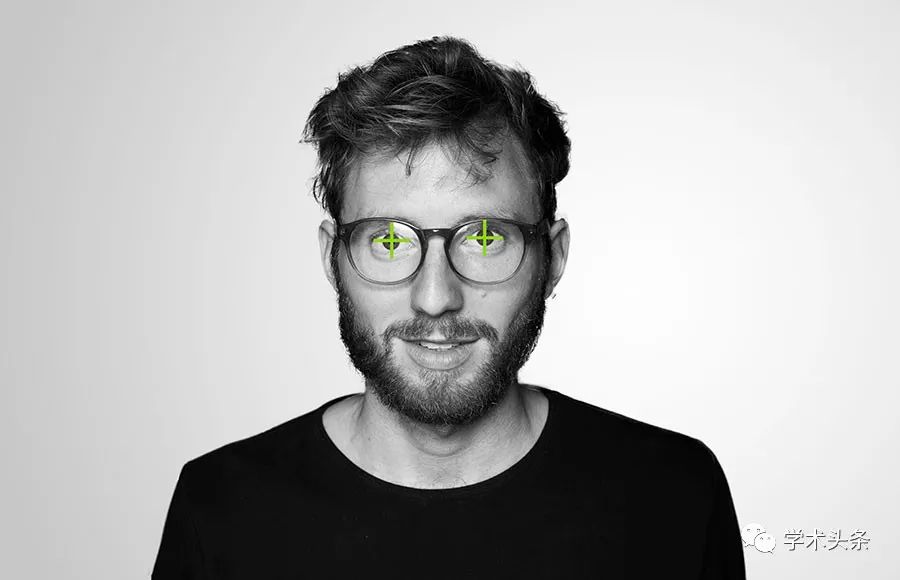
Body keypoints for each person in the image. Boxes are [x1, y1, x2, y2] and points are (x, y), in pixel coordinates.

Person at [152, 36, 745, 579]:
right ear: (333, 259)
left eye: (484, 238)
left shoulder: (674, 496)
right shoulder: (221, 510)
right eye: (389, 241)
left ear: (553, 258)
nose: (435, 297)